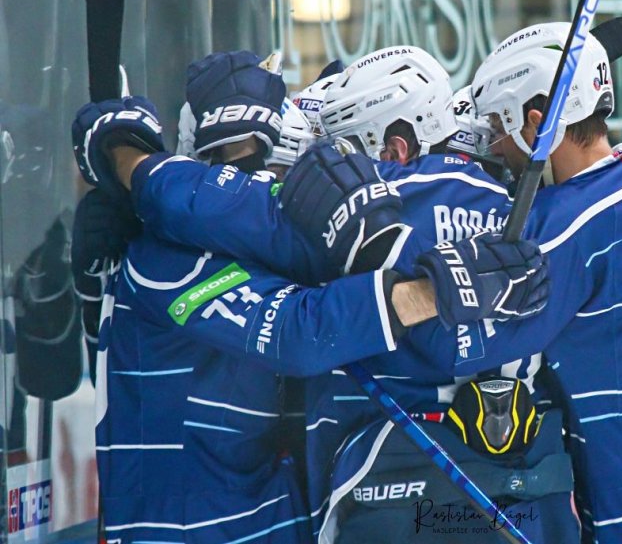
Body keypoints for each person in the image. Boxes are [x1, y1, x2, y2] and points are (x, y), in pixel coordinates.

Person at [284, 21, 622, 543]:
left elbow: (459, 345)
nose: (495, 148)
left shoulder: (568, 225)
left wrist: (377, 260)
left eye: (497, 127)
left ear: (536, 121)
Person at [71, 50, 549, 543]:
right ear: (204, 163)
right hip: (189, 528)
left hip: (278, 517)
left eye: (283, 167)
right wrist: (436, 291)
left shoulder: (273, 246)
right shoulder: (170, 257)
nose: (272, 187)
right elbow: (298, 334)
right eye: (255, 166)